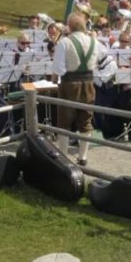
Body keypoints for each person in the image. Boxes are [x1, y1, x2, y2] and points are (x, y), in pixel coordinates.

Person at [52, 13, 99, 166]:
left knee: (64, 120)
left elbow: (58, 69)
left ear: (70, 26)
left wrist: (56, 78)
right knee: (86, 119)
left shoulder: (65, 42)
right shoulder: (94, 41)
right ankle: (82, 157)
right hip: (89, 84)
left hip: (69, 84)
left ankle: (63, 156)